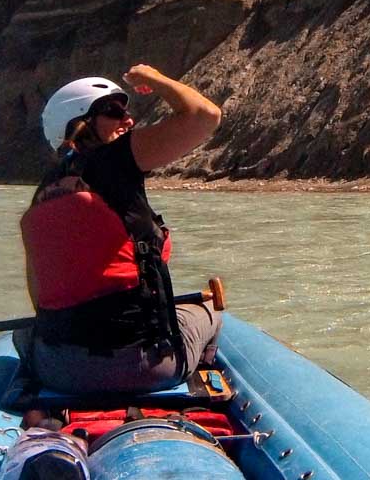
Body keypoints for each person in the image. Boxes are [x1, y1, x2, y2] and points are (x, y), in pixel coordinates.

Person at [17, 64, 223, 394]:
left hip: (56, 369)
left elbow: (39, 298)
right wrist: (153, 79)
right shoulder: (117, 160)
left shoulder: (44, 191)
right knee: (211, 311)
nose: (129, 120)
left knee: (21, 335)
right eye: (114, 111)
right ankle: (199, 382)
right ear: (81, 124)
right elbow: (205, 116)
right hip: (143, 368)